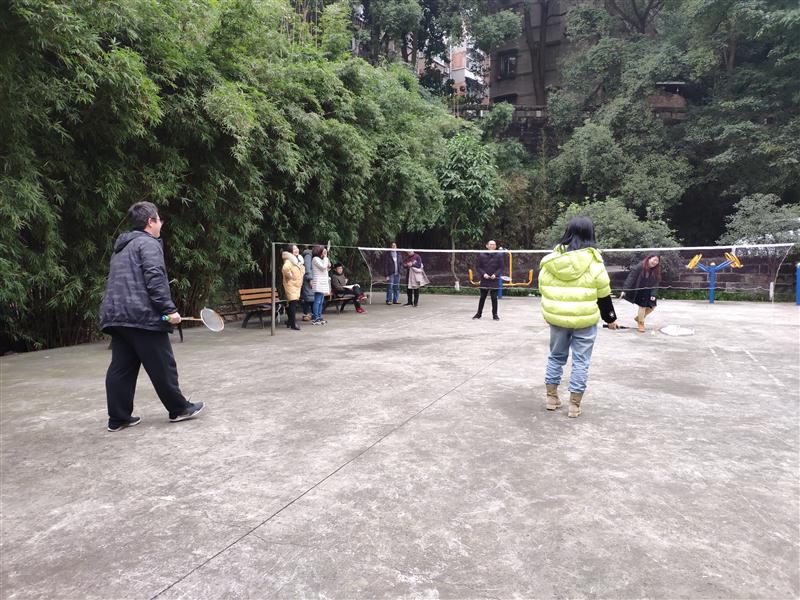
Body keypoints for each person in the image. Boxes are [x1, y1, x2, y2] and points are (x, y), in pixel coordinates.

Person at [99, 201, 204, 432]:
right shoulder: (148, 243)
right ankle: (179, 409)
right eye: (159, 220)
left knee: (121, 368)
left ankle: (118, 418)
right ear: (150, 222)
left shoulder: (121, 247)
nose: (161, 224)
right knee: (162, 364)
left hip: (116, 315)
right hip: (141, 316)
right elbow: (154, 278)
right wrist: (169, 310)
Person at [538, 216, 618, 418]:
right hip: (585, 320)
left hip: (557, 320)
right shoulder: (595, 261)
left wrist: (548, 313)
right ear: (590, 234)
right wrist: (610, 319)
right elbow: (603, 294)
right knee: (581, 361)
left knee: (555, 357)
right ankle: (574, 406)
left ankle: (551, 398)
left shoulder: (552, 260)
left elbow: (543, 289)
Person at [621, 254, 661, 333]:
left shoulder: (656, 270)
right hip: (640, 289)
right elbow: (631, 278)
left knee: (652, 306)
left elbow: (656, 283)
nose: (655, 262)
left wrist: (653, 294)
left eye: (657, 261)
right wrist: (624, 290)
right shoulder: (639, 267)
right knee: (642, 306)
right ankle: (641, 323)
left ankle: (638, 318)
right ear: (649, 259)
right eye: (654, 259)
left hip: (649, 290)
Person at [473, 239, 504, 320]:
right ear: (487, 246)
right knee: (482, 297)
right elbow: (478, 267)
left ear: (495, 246)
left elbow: (501, 268)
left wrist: (495, 274)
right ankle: (478, 314)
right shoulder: (481, 255)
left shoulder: (499, 255)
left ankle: (495, 315)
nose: (492, 246)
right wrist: (484, 274)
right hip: (484, 280)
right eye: (490, 244)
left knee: (494, 298)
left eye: (494, 244)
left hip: (495, 280)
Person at [281, 244, 305, 331]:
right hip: (290, 284)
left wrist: (301, 274)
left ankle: (290, 321)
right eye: (294, 249)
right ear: (290, 251)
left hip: (296, 285)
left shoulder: (298, 259)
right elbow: (285, 269)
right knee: (293, 303)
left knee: (292, 303)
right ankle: (293, 323)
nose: (296, 250)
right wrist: (290, 276)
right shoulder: (289, 260)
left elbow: (302, 269)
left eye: (297, 248)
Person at [311, 245, 331, 325]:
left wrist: (328, 265)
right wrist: (326, 258)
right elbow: (323, 267)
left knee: (321, 301)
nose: (324, 252)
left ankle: (319, 316)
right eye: (323, 251)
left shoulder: (321, 259)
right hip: (318, 282)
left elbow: (325, 269)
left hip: (323, 282)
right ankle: (315, 317)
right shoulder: (315, 259)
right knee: (317, 301)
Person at [301, 245, 315, 321]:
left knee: (311, 297)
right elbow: (307, 268)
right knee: (307, 297)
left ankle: (312, 314)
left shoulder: (311, 255)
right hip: (308, 279)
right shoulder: (308, 255)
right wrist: (310, 279)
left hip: (311, 278)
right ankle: (306, 314)